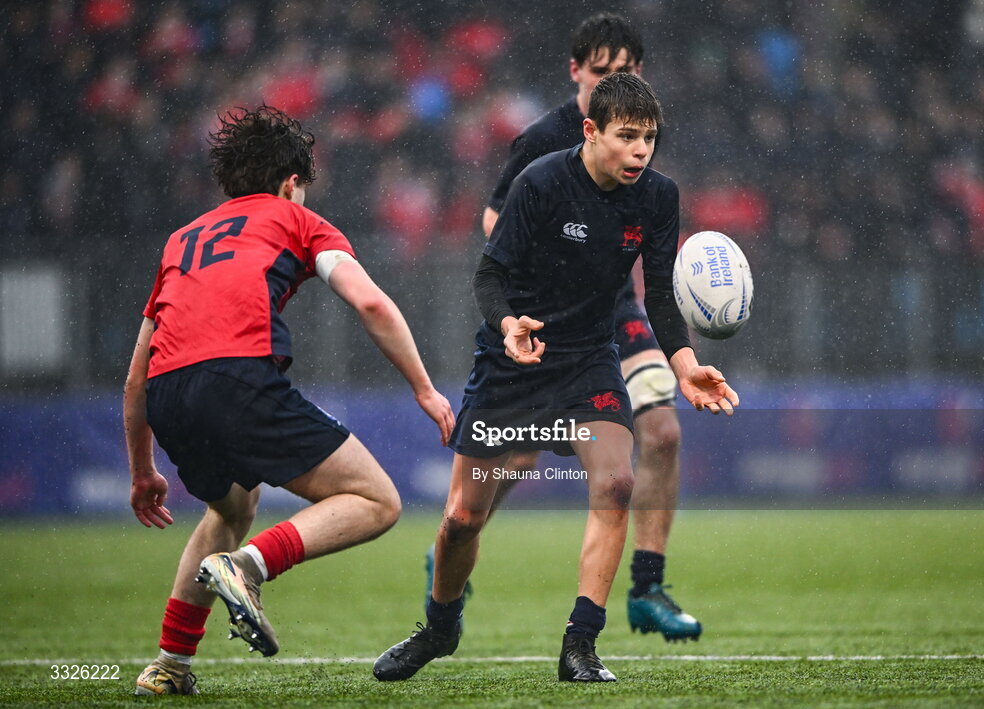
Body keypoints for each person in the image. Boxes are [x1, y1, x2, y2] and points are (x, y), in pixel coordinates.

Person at [376, 73, 738, 684]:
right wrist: (509, 323)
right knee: (463, 518)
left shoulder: (657, 197)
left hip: (587, 362)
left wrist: (684, 366)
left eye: (650, 138)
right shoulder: (541, 181)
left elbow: (662, 300)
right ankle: (439, 627)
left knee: (617, 482)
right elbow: (490, 275)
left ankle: (581, 645)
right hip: (512, 360)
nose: (641, 151)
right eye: (627, 137)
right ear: (592, 131)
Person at [124, 105, 454, 695]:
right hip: (238, 379)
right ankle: (248, 567)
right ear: (290, 182)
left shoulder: (183, 238)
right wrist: (425, 388)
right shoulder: (298, 220)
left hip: (168, 395)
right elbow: (372, 304)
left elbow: (136, 376)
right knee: (377, 500)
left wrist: (142, 469)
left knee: (231, 507)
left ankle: (170, 664)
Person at [425, 11, 701, 644]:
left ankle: (646, 587)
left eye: (625, 70)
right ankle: (452, 559)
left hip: (611, 312)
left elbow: (653, 273)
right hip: (538, 310)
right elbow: (496, 230)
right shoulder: (540, 145)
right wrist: (544, 276)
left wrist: (684, 360)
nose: (613, 79)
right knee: (509, 464)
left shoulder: (645, 159)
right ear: (576, 74)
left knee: (658, 431)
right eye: (600, 71)